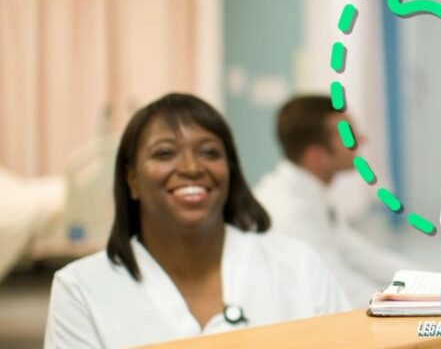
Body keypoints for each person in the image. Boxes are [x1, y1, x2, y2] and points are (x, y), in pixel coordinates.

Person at [45, 94, 350, 348]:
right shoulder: (81, 290)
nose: (192, 167)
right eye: (165, 153)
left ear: (229, 171)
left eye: (209, 152)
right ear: (132, 179)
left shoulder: (298, 267)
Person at [255, 95, 415, 305]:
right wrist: (425, 301)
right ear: (316, 157)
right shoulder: (292, 212)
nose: (361, 139)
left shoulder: (308, 193)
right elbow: (341, 289)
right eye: (349, 136)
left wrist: (439, 284)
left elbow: (361, 254)